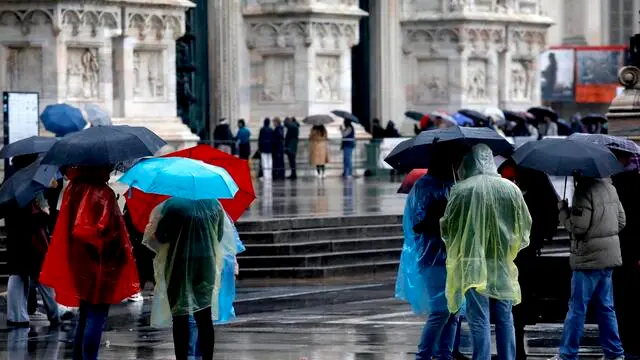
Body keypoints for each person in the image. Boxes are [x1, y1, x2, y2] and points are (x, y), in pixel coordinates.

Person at [440, 144, 532, 360]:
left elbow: (449, 227)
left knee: (479, 317)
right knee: (504, 316)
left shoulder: (461, 190)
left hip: (472, 261)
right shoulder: (511, 189)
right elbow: (524, 224)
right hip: (501, 261)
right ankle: (507, 356)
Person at [39, 166, 140, 360]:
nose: (110, 169)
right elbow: (109, 234)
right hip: (101, 263)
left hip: (79, 261)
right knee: (96, 315)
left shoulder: (74, 188)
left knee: (85, 314)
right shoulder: (103, 193)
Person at [143, 198, 237, 360]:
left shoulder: (173, 206)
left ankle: (182, 357)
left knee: (180, 315)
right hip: (206, 264)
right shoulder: (214, 205)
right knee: (204, 315)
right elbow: (219, 234)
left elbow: (161, 236)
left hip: (179, 264)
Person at [550, 173, 625, 360]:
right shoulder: (610, 188)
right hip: (608, 259)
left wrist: (563, 212)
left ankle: (567, 355)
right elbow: (622, 221)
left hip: (587, 261)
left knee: (577, 309)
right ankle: (615, 353)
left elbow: (578, 228)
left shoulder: (583, 191)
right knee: (607, 308)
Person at [395, 154, 459, 360]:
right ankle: (424, 355)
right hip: (433, 257)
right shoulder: (424, 187)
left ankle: (444, 355)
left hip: (452, 256)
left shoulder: (454, 185)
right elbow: (416, 224)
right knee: (441, 311)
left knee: (453, 312)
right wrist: (438, 216)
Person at [499, 160, 559, 360]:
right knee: (515, 304)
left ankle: (515, 348)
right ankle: (515, 348)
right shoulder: (537, 181)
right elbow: (551, 217)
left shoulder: (529, 190)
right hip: (524, 253)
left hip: (517, 254)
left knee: (514, 304)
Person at [5, 156, 61, 327]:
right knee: (43, 277)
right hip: (34, 239)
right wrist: (47, 211)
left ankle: (17, 316)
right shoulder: (35, 186)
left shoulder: (10, 185)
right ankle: (55, 314)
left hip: (16, 239)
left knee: (17, 276)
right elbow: (42, 215)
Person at [610, 150, 640, 359]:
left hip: (618, 249)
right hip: (634, 250)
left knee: (621, 300)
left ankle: (625, 344)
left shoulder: (613, 183)